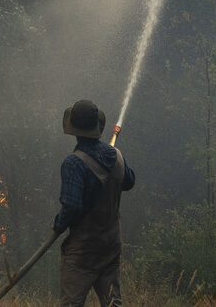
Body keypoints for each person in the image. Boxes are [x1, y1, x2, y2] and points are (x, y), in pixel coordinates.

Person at [53, 99, 136, 307]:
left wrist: (58, 224)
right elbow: (129, 181)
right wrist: (112, 163)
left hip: (83, 253)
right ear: (97, 126)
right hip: (110, 246)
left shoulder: (73, 163)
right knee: (113, 304)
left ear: (74, 129)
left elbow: (72, 207)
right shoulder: (115, 156)